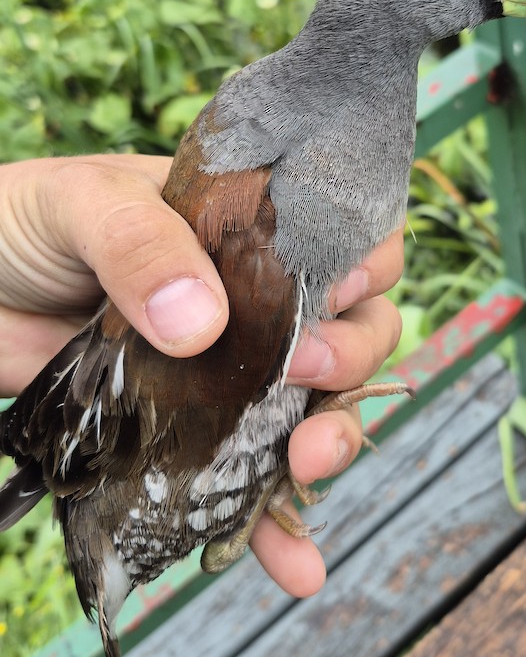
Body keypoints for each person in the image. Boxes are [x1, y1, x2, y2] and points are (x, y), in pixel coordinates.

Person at [0, 154, 403, 597]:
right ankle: (250, 499)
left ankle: (251, 497)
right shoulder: (250, 224)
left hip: (120, 458)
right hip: (120, 492)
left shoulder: (254, 214)